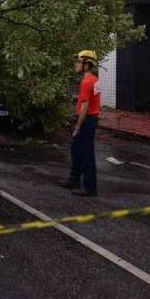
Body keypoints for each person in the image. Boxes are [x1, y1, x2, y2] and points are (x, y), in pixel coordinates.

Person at [60, 50, 101, 197]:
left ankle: (90, 188)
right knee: (76, 149)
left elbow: (85, 107)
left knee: (86, 153)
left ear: (87, 64)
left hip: (87, 120)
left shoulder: (86, 82)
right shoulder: (94, 79)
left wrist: (77, 126)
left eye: (78, 62)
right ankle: (74, 180)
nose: (75, 64)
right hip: (91, 118)